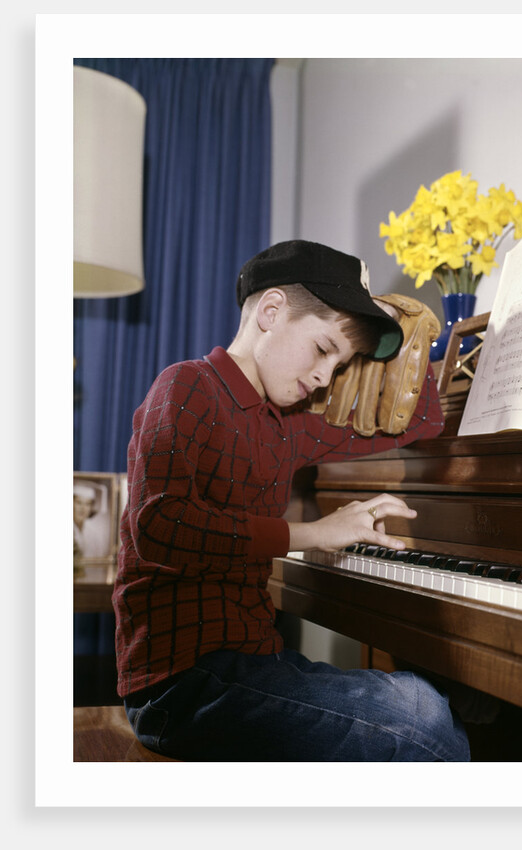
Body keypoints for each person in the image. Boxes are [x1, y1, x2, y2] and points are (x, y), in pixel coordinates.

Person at [113, 240, 470, 762]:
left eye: (342, 364)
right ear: (271, 312)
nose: (327, 377)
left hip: (255, 664)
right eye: (324, 349)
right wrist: (313, 534)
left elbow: (423, 423)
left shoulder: (290, 426)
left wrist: (411, 328)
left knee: (426, 704)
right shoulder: (185, 386)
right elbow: (161, 526)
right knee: (425, 719)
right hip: (179, 684)